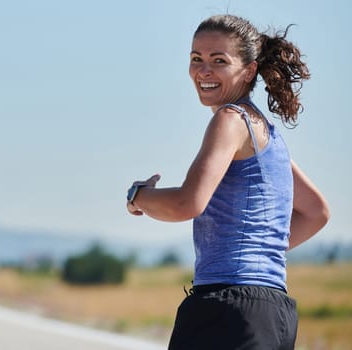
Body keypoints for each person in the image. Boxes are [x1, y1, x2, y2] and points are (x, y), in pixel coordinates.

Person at [126, 14, 330, 350]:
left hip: (227, 307)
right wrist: (254, 250)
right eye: (196, 59)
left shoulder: (230, 120)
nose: (203, 71)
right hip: (273, 312)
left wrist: (138, 195)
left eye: (219, 60)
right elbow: (316, 212)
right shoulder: (266, 132)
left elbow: (187, 203)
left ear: (249, 71)